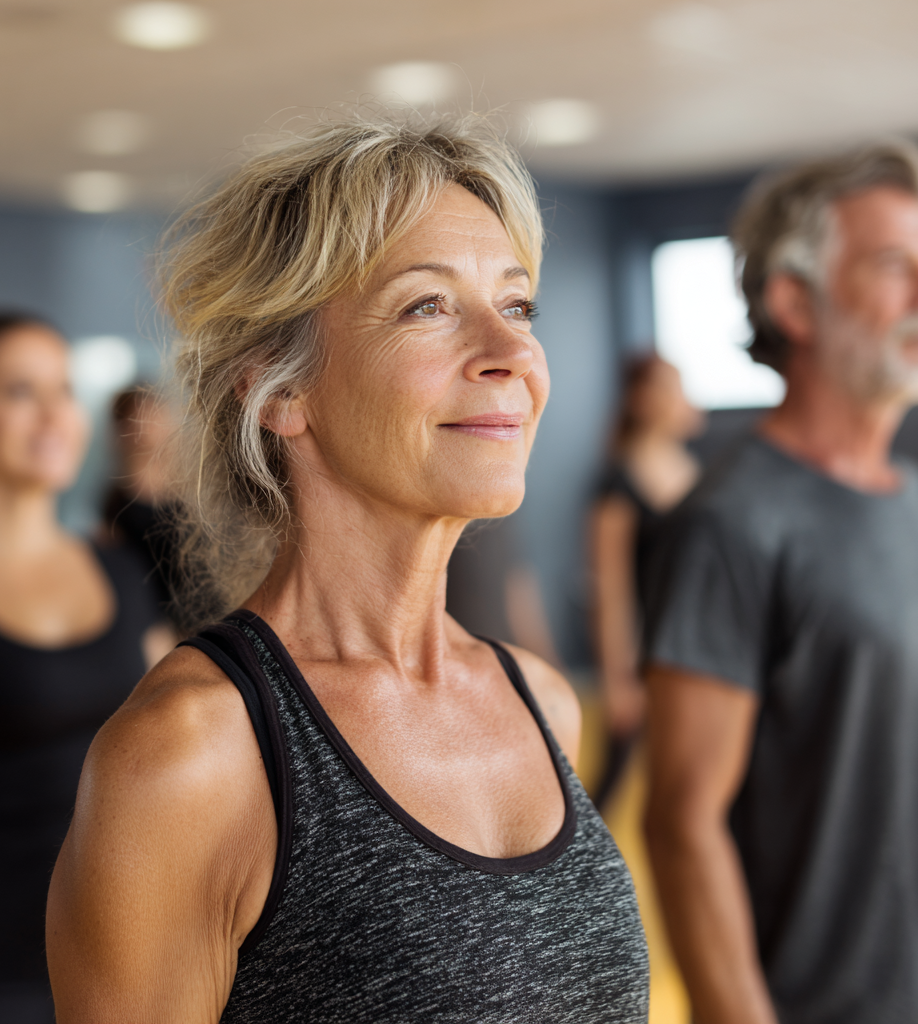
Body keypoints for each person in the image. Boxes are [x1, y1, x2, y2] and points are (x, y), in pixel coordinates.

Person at [46, 114, 650, 1023]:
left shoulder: (543, 703)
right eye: (428, 306)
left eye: (517, 305)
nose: (512, 353)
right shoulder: (191, 757)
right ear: (281, 391)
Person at [643, 142, 918, 1023]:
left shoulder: (909, 500)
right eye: (892, 268)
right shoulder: (732, 522)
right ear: (795, 300)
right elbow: (682, 825)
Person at [0, 312, 172, 1024]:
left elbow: (174, 748)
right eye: (22, 391)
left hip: (130, 967)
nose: (55, 415)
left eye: (64, 389)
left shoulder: (119, 570)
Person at [589, 354, 702, 806]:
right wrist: (617, 679)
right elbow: (609, 591)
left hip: (695, 652)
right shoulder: (618, 483)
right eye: (669, 388)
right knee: (613, 783)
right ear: (640, 400)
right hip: (645, 659)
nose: (680, 400)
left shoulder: (694, 471)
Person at [102, 385, 183, 628]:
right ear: (124, 428)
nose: (151, 424)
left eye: (156, 415)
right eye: (142, 417)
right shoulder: (119, 508)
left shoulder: (190, 491)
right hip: (155, 622)